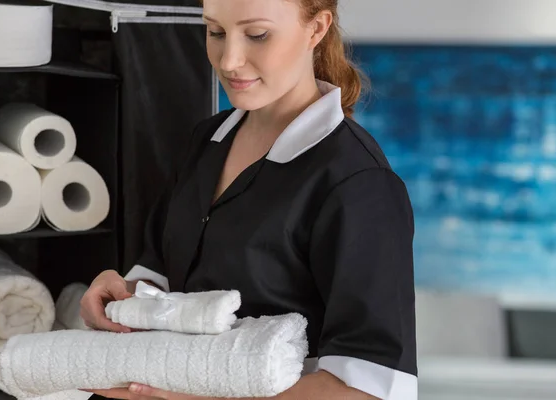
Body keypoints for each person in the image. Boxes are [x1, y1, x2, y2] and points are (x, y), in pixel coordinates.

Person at [80, 0, 417, 399]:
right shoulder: (206, 142)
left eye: (257, 35)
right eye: (216, 32)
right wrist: (121, 293)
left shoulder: (358, 184)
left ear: (316, 29)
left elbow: (372, 388)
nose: (229, 60)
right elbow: (167, 277)